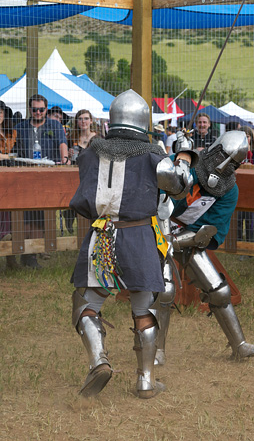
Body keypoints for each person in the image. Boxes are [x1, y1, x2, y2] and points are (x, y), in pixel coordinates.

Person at [69, 89, 196, 399]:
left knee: (86, 304)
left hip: (103, 235)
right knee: (143, 308)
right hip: (139, 237)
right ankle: (145, 381)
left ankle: (99, 360)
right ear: (143, 120)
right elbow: (179, 187)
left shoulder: (90, 151)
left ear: (113, 119)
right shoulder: (154, 155)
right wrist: (182, 154)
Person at [154, 130, 254, 366]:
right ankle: (156, 352)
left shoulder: (229, 191)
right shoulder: (188, 163)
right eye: (222, 156)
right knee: (164, 291)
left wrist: (180, 240)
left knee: (219, 291)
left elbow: (209, 230)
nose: (223, 165)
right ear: (215, 149)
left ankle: (239, 346)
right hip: (158, 229)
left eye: (231, 162)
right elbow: (160, 197)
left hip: (189, 237)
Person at [13, 94, 69, 268]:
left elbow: (62, 144)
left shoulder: (55, 125)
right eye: (34, 109)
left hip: (47, 176)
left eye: (41, 109)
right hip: (24, 176)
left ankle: (33, 254)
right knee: (25, 215)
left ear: (46, 109)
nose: (38, 112)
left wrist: (65, 159)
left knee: (42, 215)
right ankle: (27, 254)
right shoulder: (20, 127)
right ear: (29, 109)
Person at [0, 101, 19, 269]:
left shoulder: (12, 132)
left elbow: (18, 152)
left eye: (0, 112)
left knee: (9, 215)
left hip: (10, 178)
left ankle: (10, 258)